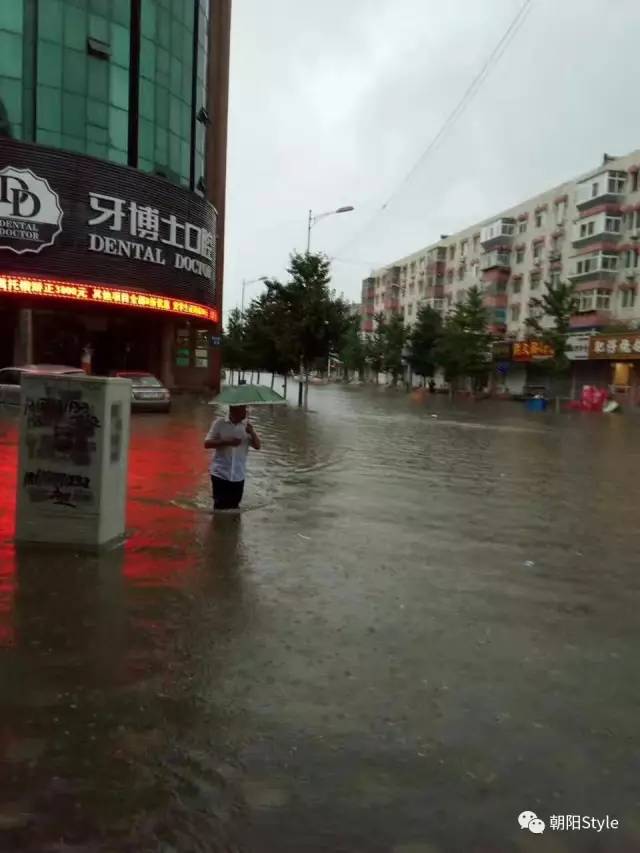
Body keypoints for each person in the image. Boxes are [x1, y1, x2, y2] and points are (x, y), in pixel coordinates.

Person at [204, 405, 261, 510]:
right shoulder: (219, 423)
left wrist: (252, 433)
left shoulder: (247, 427)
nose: (245, 412)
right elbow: (207, 444)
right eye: (242, 410)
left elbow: (258, 446)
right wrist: (226, 442)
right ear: (233, 411)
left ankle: (234, 526)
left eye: (245, 409)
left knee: (235, 508)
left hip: (238, 475)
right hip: (220, 474)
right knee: (219, 507)